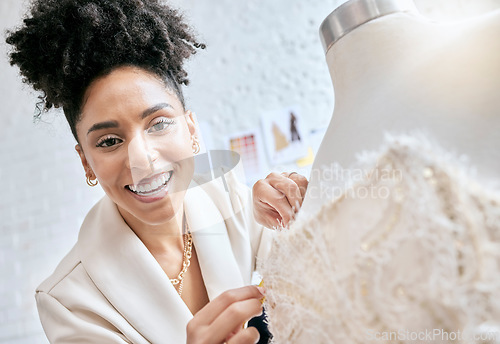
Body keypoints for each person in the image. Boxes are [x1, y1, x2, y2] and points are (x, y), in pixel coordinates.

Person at [6, 0, 307, 343]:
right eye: (108, 141)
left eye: (158, 124)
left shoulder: (231, 199)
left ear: (192, 131)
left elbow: (317, 278)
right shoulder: (69, 303)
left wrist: (299, 210)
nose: (142, 160)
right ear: (86, 161)